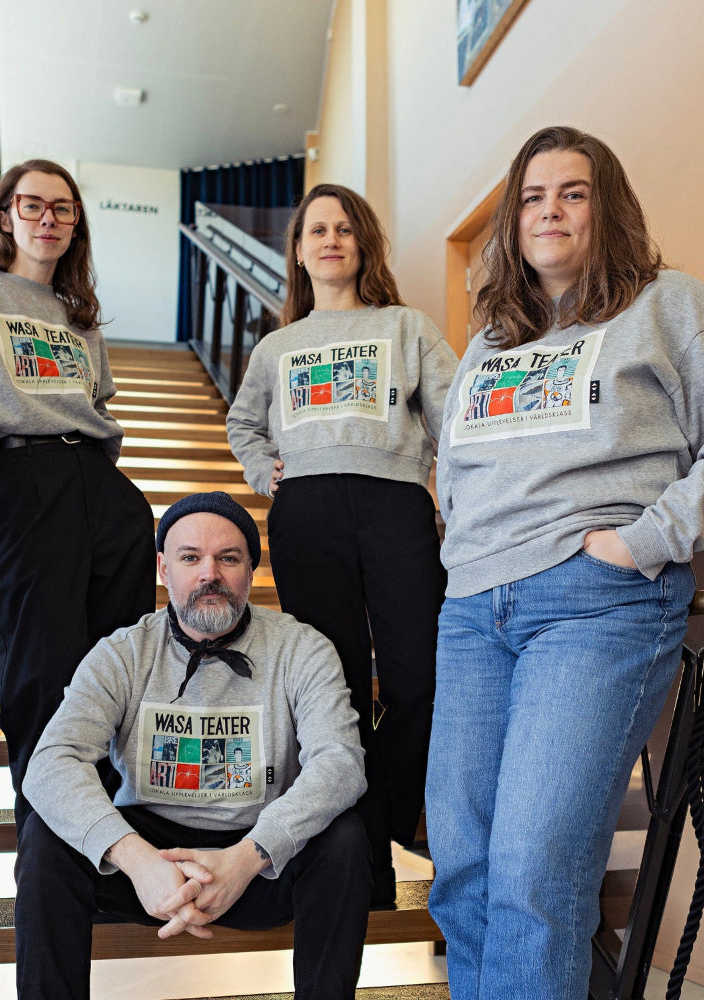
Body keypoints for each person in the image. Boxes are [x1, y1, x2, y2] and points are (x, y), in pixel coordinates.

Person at [425, 126, 704, 999]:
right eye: (532, 197)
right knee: (463, 867)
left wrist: (639, 543)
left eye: (572, 193)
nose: (549, 210)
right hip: (472, 610)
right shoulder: (491, 339)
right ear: (512, 222)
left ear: (607, 207)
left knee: (533, 867)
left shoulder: (674, 307)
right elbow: (455, 466)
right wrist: (460, 549)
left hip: (594, 603)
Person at [15, 492, 370, 1000]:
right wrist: (138, 861)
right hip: (147, 859)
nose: (210, 574)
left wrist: (247, 859)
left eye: (228, 558)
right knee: (44, 837)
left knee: (345, 839)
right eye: (190, 558)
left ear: (250, 571)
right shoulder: (122, 652)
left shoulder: (301, 648)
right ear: (164, 569)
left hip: (257, 859)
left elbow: (340, 762)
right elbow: (51, 762)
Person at [226, 183, 459, 905]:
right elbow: (243, 423)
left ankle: (391, 818)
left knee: (420, 677)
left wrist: (456, 497)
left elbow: (457, 419)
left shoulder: (406, 326)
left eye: (344, 229)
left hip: (396, 506)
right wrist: (263, 470)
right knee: (339, 687)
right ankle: (365, 864)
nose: (331, 240)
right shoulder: (277, 347)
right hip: (308, 514)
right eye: (317, 231)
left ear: (364, 244)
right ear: (298, 252)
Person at [0, 159, 156, 828]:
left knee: (119, 675)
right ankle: (51, 848)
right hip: (22, 479)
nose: (48, 218)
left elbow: (96, 406)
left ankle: (111, 840)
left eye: (63, 208)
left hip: (102, 488)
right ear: (5, 215)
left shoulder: (81, 319)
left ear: (76, 226)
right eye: (33, 205)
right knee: (41, 678)